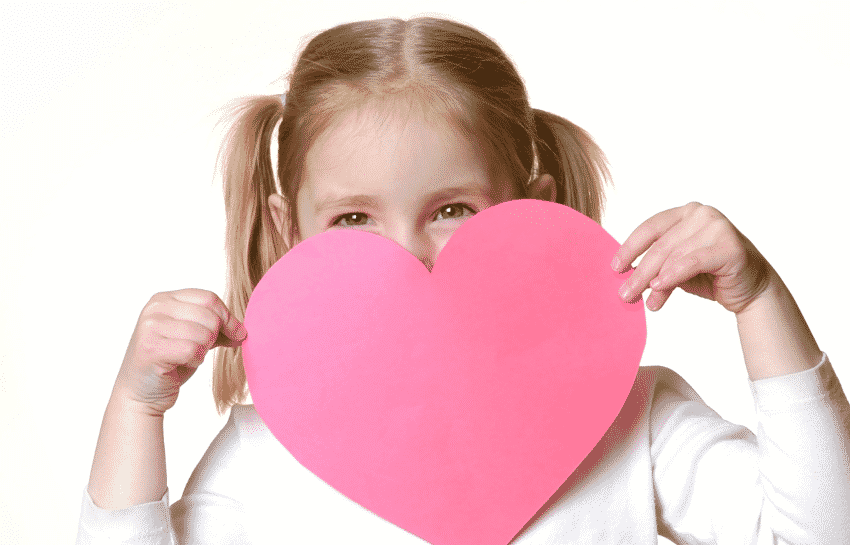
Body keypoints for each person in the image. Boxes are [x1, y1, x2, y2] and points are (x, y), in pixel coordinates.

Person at [75, 16, 850, 544]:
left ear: (532, 210)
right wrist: (136, 406)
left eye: (451, 207)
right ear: (288, 230)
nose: (407, 256)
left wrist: (759, 299)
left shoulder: (634, 418)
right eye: (354, 218)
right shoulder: (267, 455)